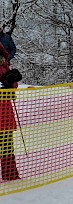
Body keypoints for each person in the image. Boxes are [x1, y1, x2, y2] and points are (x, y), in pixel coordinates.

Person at [0, 44, 21, 181]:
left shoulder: (5, 67)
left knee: (7, 145)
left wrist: (12, 81)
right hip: (4, 112)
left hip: (5, 112)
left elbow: (13, 87)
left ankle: (10, 174)